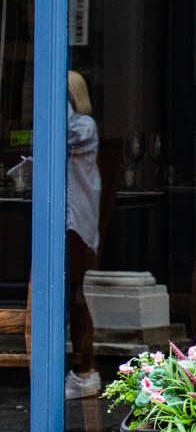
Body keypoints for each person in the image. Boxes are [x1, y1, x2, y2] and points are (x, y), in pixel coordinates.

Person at [63, 71, 101, 400]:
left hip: (77, 224)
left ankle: (85, 370)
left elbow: (59, 131)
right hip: (68, 220)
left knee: (75, 293)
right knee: (70, 294)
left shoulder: (83, 127)